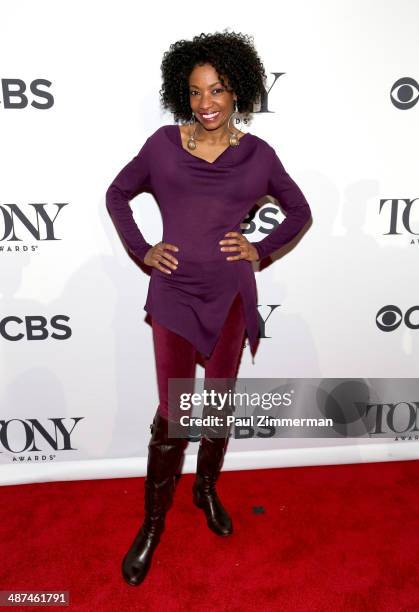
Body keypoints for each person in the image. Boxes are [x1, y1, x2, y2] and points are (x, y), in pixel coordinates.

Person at [105, 30, 312, 587]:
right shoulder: (162, 145)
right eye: (196, 92)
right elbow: (117, 194)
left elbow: (299, 211)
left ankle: (204, 489)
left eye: (218, 90)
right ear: (183, 95)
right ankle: (152, 524)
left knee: (216, 405)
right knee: (174, 413)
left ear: (238, 92)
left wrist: (260, 250)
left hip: (229, 295)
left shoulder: (259, 155)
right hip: (173, 293)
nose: (207, 103)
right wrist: (143, 249)